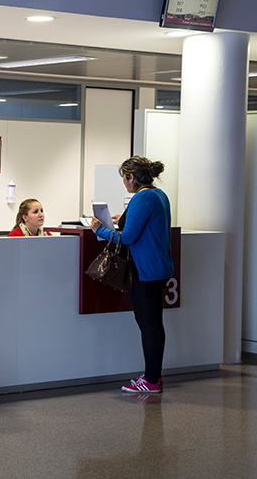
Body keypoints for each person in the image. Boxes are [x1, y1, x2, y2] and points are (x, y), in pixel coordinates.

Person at [90, 156, 173, 393]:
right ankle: (154, 376)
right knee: (156, 325)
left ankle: (150, 380)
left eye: (124, 179)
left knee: (147, 326)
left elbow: (126, 238)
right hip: (160, 267)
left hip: (144, 270)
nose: (124, 184)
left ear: (131, 178)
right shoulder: (159, 195)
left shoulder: (141, 197)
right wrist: (123, 219)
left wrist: (100, 229)